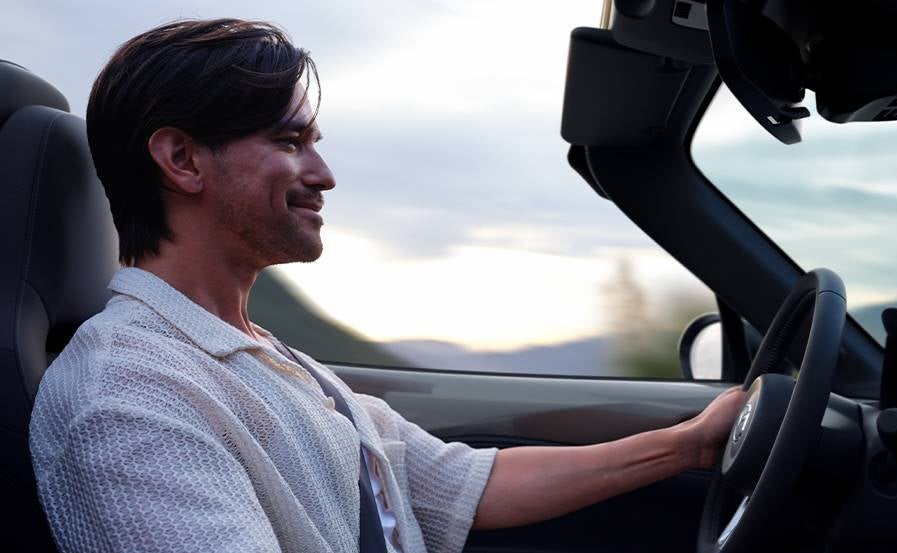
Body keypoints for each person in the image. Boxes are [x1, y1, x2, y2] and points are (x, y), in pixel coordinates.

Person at [28, 18, 745, 553]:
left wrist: (690, 444)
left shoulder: (261, 358)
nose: (324, 173)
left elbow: (462, 484)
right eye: (288, 141)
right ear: (182, 159)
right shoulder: (126, 398)